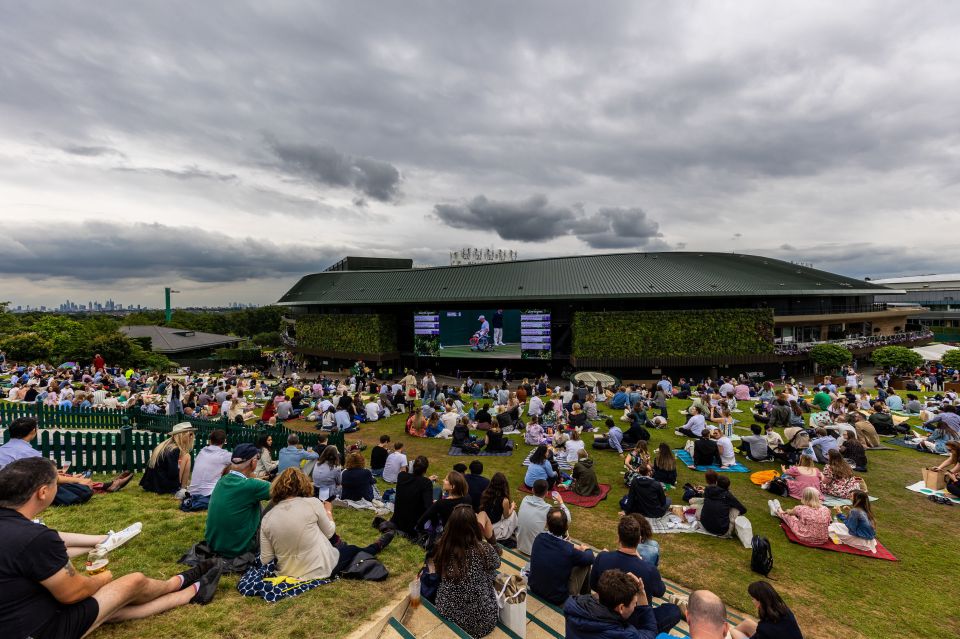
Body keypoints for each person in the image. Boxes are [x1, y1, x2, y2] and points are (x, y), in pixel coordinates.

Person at [0, 458, 218, 639]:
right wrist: (104, 577)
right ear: (43, 492)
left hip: (21, 614)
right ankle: (180, 584)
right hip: (36, 630)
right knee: (133, 582)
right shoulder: (35, 537)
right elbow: (73, 593)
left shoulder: (20, 531)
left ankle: (191, 592)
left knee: (112, 606)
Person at [261, 467, 393, 582]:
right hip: (319, 568)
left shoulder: (267, 518)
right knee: (352, 550)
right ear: (304, 485)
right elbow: (329, 532)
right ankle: (376, 546)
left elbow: (266, 559)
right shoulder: (312, 503)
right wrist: (328, 511)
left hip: (287, 572)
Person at [590, 516, 680, 635]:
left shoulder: (602, 557)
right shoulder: (649, 569)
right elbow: (660, 591)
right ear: (639, 539)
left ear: (618, 538)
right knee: (674, 610)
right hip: (637, 623)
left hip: (606, 614)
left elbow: (593, 585)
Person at [433, 504, 501, 638]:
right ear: (474, 526)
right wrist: (491, 540)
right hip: (482, 621)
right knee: (491, 573)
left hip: (448, 611)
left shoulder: (441, 547)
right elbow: (497, 563)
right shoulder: (484, 550)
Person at [204, 443, 272, 558]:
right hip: (239, 549)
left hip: (214, 545)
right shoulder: (251, 486)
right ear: (253, 462)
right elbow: (284, 489)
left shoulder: (222, 480)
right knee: (278, 499)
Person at [564, 569, 658, 639]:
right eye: (634, 603)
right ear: (621, 608)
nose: (635, 606)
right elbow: (650, 633)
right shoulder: (625, 635)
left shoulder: (573, 606)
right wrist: (641, 593)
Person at [529, 507, 595, 605]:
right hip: (556, 598)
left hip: (534, 588)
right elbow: (590, 558)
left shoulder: (539, 538)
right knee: (585, 565)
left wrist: (570, 545)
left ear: (547, 524)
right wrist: (586, 548)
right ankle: (587, 599)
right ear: (566, 527)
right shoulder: (568, 550)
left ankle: (586, 598)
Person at [140, 422, 195, 499]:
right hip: (164, 486)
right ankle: (183, 488)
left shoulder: (165, 446)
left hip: (152, 484)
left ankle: (183, 486)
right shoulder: (175, 449)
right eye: (190, 434)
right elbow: (172, 473)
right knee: (187, 456)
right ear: (182, 435)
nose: (192, 437)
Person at [181, 429, 232, 512]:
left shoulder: (202, 452)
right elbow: (241, 462)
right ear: (225, 441)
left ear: (210, 440)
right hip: (209, 494)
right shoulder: (225, 455)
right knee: (232, 465)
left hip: (192, 493)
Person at [730, 581, 804, 639]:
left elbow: (766, 631)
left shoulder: (765, 628)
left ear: (760, 602)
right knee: (747, 623)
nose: (752, 601)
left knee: (732, 631)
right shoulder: (786, 611)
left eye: (753, 599)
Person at [517, 479, 571, 555]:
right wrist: (561, 502)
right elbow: (567, 519)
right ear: (546, 493)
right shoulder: (548, 509)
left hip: (521, 546)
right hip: (536, 550)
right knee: (560, 527)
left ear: (532, 490)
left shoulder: (525, 499)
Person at [390, 456, 437, 537]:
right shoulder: (426, 483)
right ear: (425, 470)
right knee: (438, 490)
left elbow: (414, 482)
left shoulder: (401, 476)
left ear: (413, 466)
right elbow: (428, 507)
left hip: (397, 521)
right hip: (413, 525)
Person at [479, 472, 518, 545]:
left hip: (485, 524)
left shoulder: (485, 493)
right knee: (513, 514)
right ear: (504, 485)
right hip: (493, 528)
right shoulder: (504, 500)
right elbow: (506, 516)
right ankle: (512, 533)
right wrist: (512, 506)